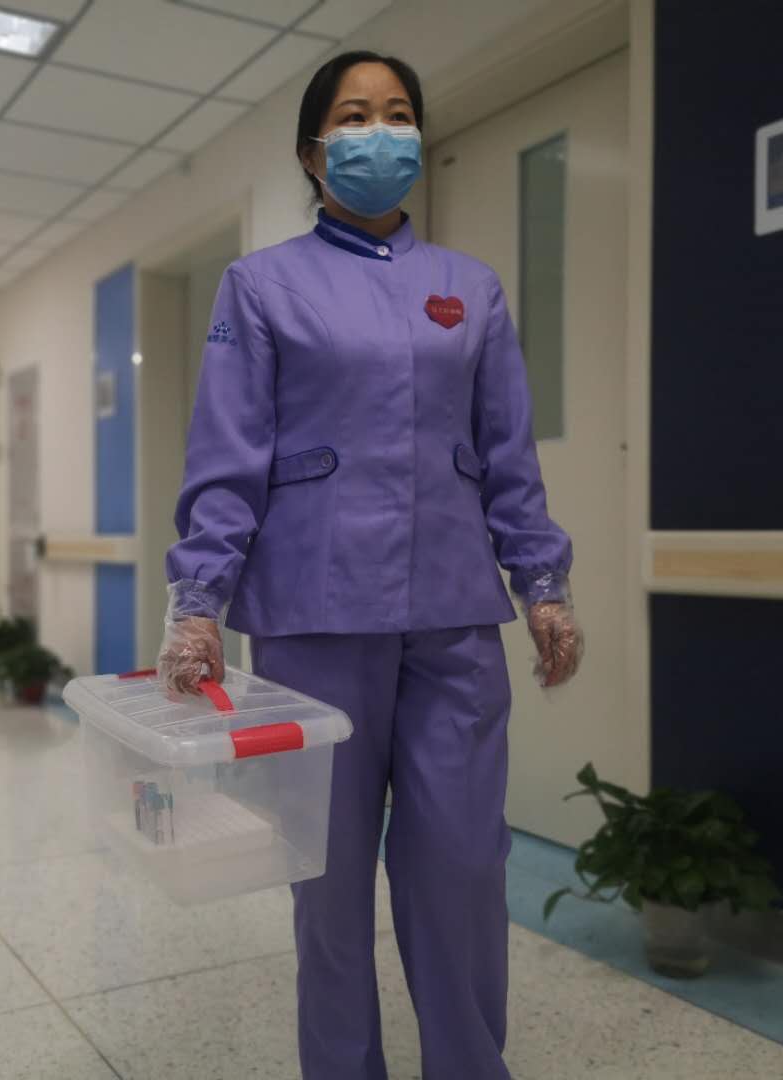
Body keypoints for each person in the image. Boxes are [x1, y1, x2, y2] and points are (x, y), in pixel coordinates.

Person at [159, 50, 584, 1080]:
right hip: (312, 615)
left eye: (398, 114)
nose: (379, 134)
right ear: (313, 152)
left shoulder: (470, 290)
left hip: (452, 617)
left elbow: (506, 453)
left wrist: (542, 585)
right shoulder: (261, 286)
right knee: (330, 882)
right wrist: (198, 601)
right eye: (354, 117)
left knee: (463, 870)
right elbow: (227, 455)